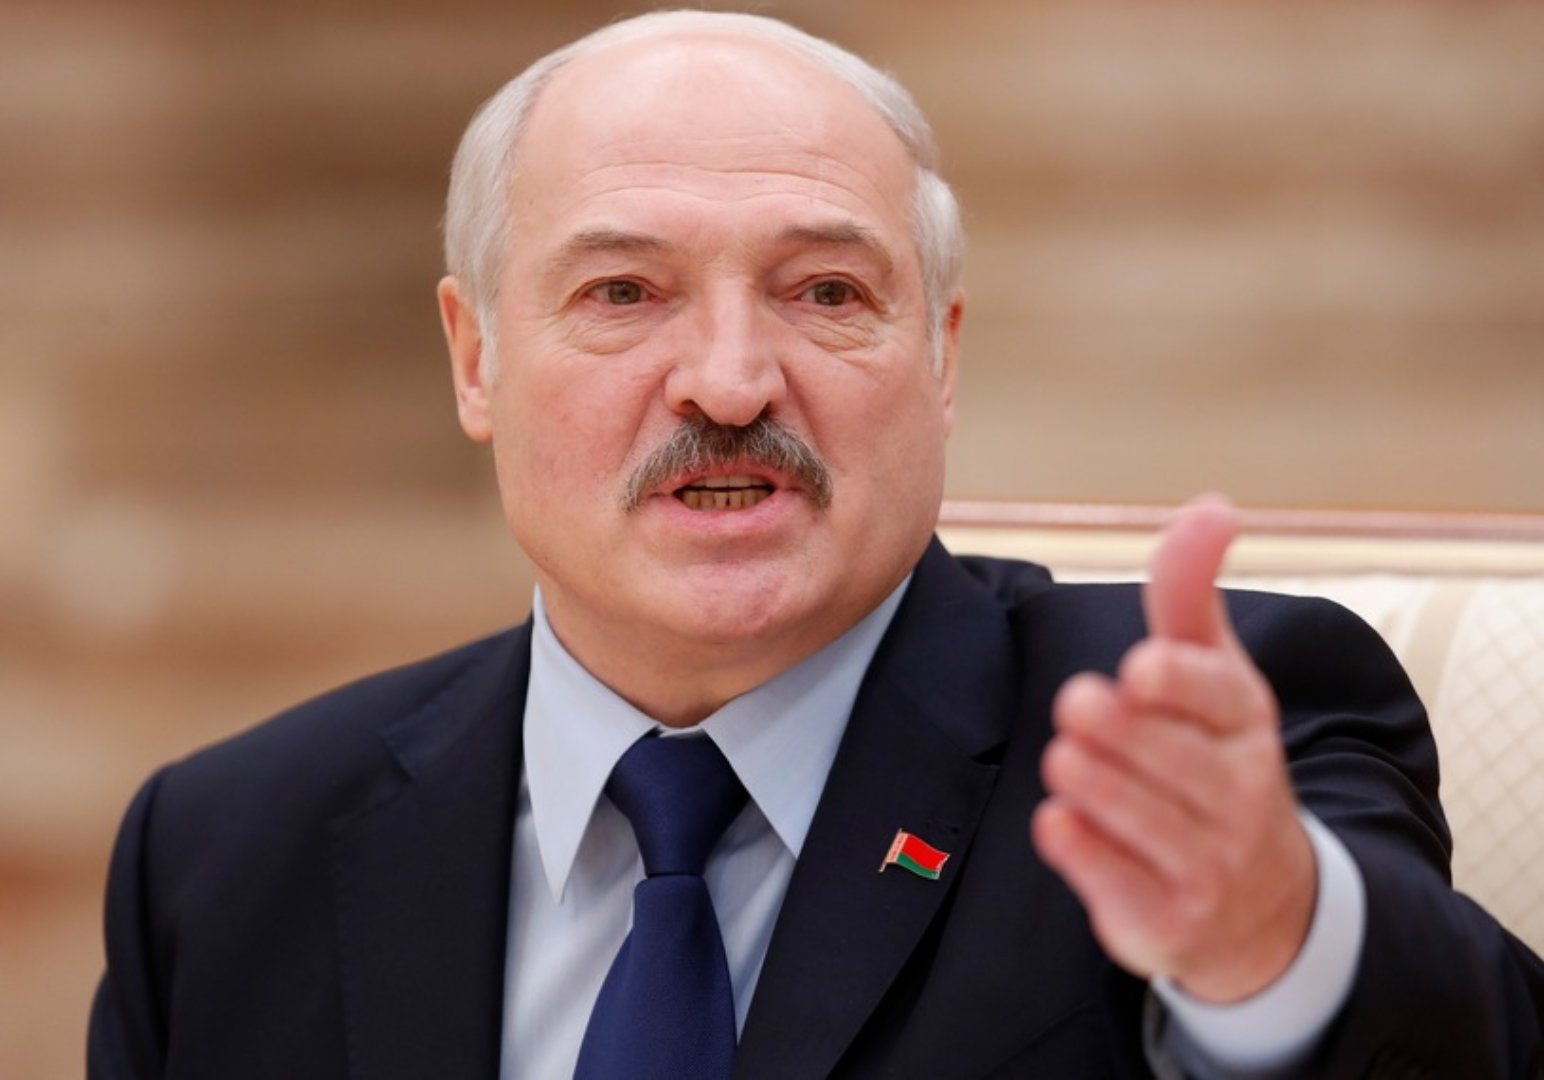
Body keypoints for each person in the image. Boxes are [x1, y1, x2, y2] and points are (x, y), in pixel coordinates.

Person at [88, 10, 1543, 1079]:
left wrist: (1274, 943)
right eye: (622, 293)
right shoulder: (224, 855)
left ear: (942, 354)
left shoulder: (1199, 727)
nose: (729, 383)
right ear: (475, 360)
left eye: (827, 291)